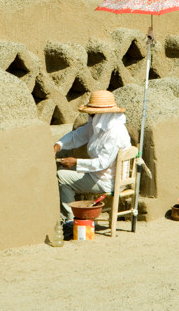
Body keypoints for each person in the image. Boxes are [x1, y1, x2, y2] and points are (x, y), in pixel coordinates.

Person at [54, 90, 131, 233]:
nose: (90, 116)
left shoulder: (115, 133)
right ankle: (73, 217)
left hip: (107, 180)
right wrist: (59, 145)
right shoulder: (100, 125)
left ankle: (69, 222)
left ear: (102, 114)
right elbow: (77, 136)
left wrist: (76, 162)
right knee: (67, 173)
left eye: (92, 113)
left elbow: (102, 163)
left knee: (61, 177)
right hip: (100, 174)